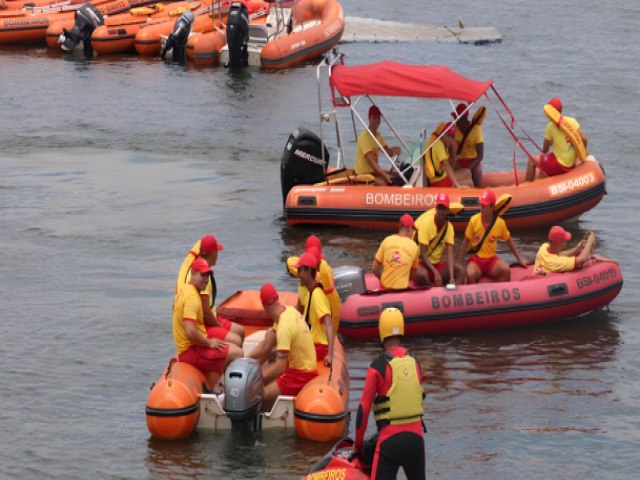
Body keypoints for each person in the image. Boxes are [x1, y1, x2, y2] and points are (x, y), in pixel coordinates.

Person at [351, 308, 426, 480]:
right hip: (416, 441)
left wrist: (358, 445)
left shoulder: (377, 366)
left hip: (389, 443)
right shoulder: (416, 363)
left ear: (381, 332)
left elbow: (363, 408)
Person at [172, 257, 243, 391]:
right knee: (237, 353)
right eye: (202, 275)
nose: (206, 279)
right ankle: (223, 394)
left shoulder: (185, 289)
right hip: (190, 349)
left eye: (208, 275)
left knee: (226, 348)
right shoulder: (192, 298)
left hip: (188, 347)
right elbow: (190, 332)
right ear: (193, 273)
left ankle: (211, 389)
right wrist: (209, 343)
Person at [248, 283, 318, 411]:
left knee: (253, 397)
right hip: (300, 368)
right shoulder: (288, 311)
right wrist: (246, 359)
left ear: (264, 306)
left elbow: (280, 367)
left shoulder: (284, 327)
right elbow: (267, 344)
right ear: (277, 299)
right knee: (258, 382)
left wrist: (255, 380)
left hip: (299, 375)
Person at [176, 235, 245, 347]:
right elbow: (205, 313)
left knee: (240, 331)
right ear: (214, 253)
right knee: (236, 340)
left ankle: (236, 361)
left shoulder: (199, 268)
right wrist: (220, 327)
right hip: (202, 324)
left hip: (207, 318)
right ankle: (229, 359)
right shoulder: (202, 276)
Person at [458, 189, 528, 283]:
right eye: (481, 205)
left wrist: (520, 259)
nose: (481, 208)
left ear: (492, 207)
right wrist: (459, 263)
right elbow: (465, 242)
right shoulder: (474, 220)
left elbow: (509, 241)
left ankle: (499, 293)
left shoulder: (500, 223)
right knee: (470, 274)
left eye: (484, 206)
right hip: (476, 260)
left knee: (506, 270)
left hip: (491, 260)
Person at [525, 97, 589, 182]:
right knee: (545, 164)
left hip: (559, 165)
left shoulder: (550, 127)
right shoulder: (572, 121)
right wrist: (582, 151)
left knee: (532, 160)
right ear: (561, 110)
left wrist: (549, 143)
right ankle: (541, 184)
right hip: (570, 164)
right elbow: (584, 138)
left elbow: (545, 151)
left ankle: (527, 187)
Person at [414, 192, 464, 286]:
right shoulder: (426, 223)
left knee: (460, 270)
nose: (441, 211)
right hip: (422, 264)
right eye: (439, 208)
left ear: (448, 210)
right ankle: (432, 289)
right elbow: (423, 254)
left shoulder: (449, 228)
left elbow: (450, 254)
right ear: (436, 209)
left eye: (443, 208)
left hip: (436, 264)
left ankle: (454, 295)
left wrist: (452, 277)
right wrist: (435, 272)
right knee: (422, 274)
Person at [294, 251, 335, 366]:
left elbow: (329, 323)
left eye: (299, 270)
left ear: (308, 271)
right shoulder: (309, 294)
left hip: (319, 347)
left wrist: (330, 355)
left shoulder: (317, 295)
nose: (297, 274)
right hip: (312, 344)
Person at [373, 214, 425, 289]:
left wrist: (381, 280)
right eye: (413, 230)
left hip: (384, 288)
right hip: (401, 291)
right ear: (410, 228)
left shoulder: (387, 240)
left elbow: (375, 268)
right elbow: (413, 272)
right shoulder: (414, 246)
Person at [355, 105, 402, 186]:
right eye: (375, 118)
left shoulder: (377, 135)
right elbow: (371, 162)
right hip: (363, 174)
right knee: (383, 182)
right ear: (369, 118)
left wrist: (394, 150)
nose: (377, 120)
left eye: (378, 118)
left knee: (396, 176)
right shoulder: (364, 137)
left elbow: (388, 152)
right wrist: (385, 175)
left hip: (372, 172)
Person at [533, 226, 611, 275]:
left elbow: (559, 254)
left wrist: (577, 249)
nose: (565, 244)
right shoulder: (556, 263)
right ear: (558, 243)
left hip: (537, 277)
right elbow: (581, 259)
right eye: (564, 241)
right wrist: (590, 242)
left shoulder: (544, 247)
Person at [424, 122, 472, 188]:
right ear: (443, 135)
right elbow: (448, 166)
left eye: (452, 137)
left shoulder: (444, 146)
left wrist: (452, 153)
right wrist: (457, 185)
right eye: (448, 136)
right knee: (469, 182)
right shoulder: (438, 145)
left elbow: (452, 168)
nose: (450, 139)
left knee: (467, 172)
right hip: (439, 181)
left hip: (444, 177)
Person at [452, 103, 484, 186]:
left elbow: (480, 155)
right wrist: (459, 167)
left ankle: (479, 192)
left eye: (457, 118)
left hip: (473, 161)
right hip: (459, 161)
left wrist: (469, 168)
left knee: (477, 171)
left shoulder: (476, 129)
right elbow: (452, 153)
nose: (455, 121)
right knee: (450, 170)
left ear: (464, 118)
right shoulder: (454, 130)